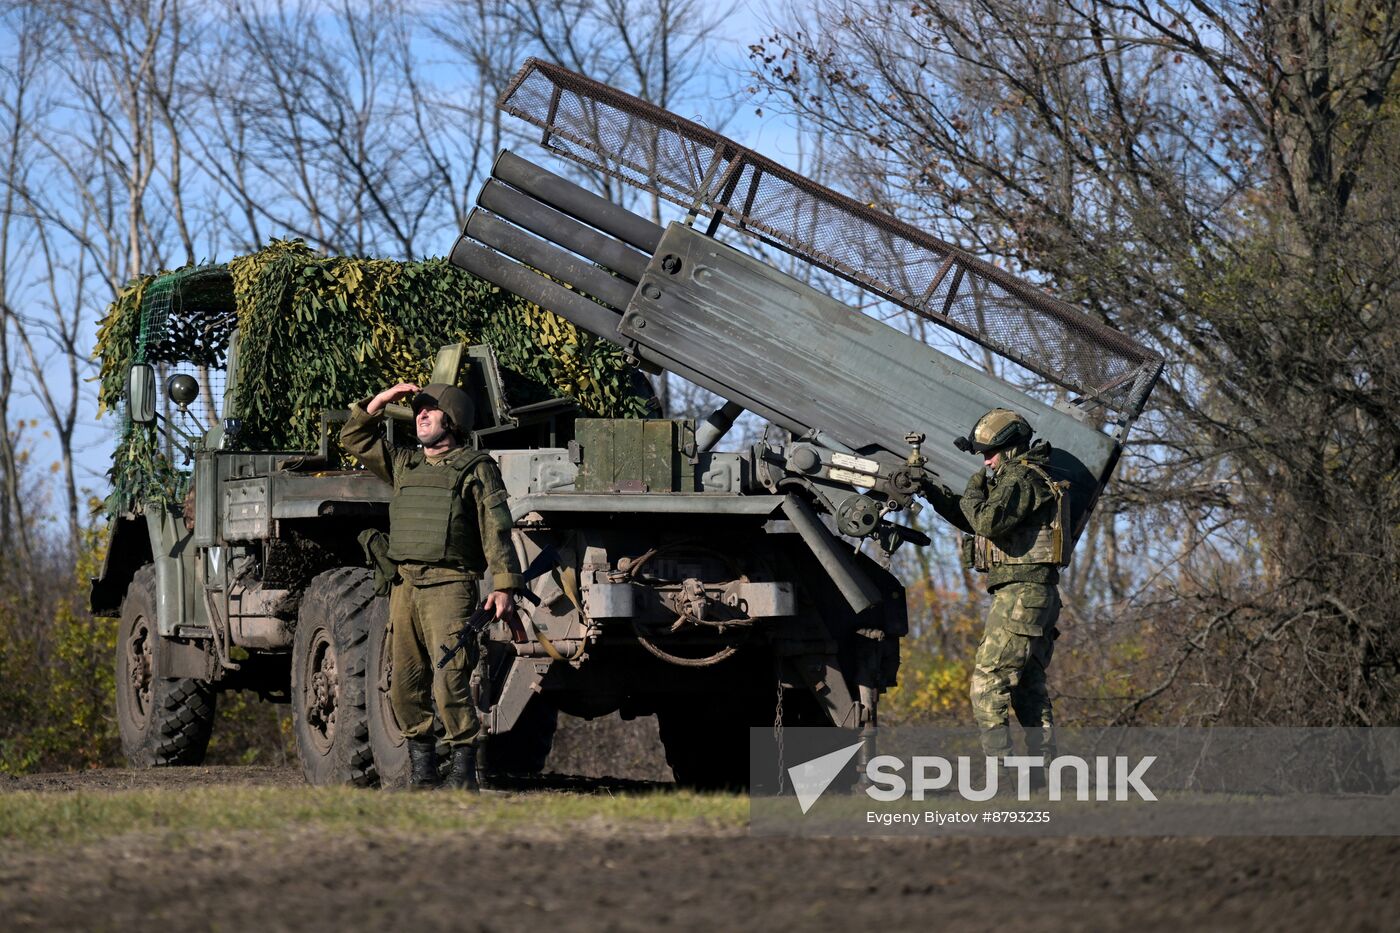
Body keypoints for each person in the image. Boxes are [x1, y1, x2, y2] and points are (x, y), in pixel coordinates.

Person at [341, 381, 523, 791]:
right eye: (418, 409)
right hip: (404, 586)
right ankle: (422, 774)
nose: (420, 415)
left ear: (453, 420)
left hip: (450, 585)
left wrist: (504, 586)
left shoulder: (476, 467)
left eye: (430, 410)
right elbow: (353, 437)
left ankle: (462, 775)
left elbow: (496, 529)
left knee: (450, 679)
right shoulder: (405, 464)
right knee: (404, 683)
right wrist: (382, 400)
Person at [924, 408, 1069, 769]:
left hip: (1023, 592)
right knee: (1026, 688)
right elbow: (973, 517)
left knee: (988, 685)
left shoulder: (1021, 476)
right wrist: (930, 491)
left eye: (988, 453)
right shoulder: (1018, 477)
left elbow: (985, 521)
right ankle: (1044, 774)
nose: (986, 462)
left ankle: (1003, 774)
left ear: (1010, 449)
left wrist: (973, 488)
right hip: (1030, 593)